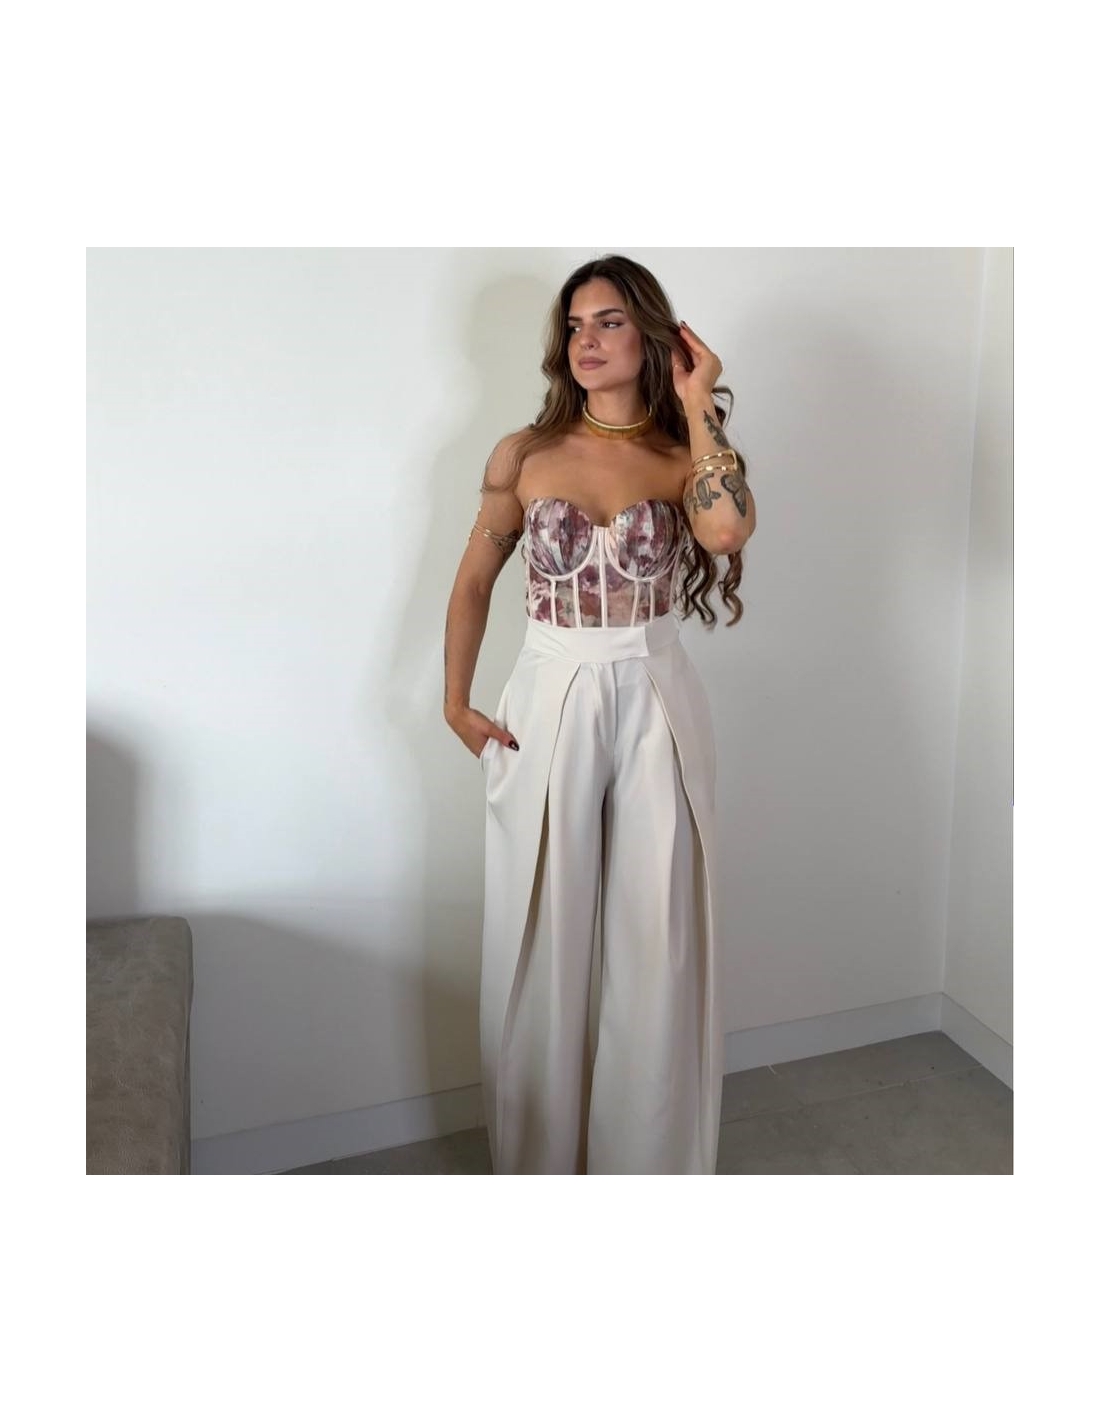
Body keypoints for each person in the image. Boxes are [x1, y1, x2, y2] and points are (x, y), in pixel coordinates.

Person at [443, 254, 756, 1174]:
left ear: (652, 335)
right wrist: (456, 702)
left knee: (656, 932)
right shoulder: (523, 455)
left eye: (610, 321)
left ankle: (643, 1163)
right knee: (542, 923)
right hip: (549, 691)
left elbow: (726, 531)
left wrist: (698, 403)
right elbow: (474, 583)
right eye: (575, 325)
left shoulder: (681, 454)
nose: (587, 340)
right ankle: (540, 1164)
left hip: (657, 693)